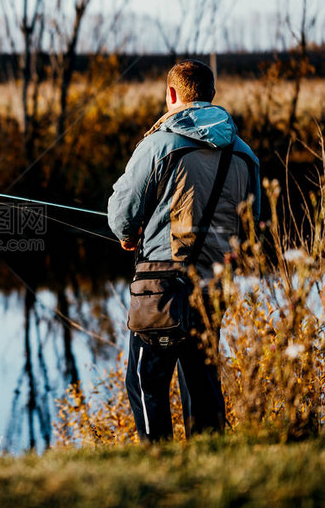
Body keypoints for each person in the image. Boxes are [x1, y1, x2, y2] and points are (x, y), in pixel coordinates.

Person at [107, 59, 260, 442]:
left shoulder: (158, 144)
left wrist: (127, 234)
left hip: (160, 284)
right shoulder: (244, 154)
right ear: (210, 96)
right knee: (202, 380)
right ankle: (208, 463)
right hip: (214, 282)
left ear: (172, 95)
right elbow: (253, 226)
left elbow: (122, 211)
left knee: (146, 381)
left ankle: (158, 463)